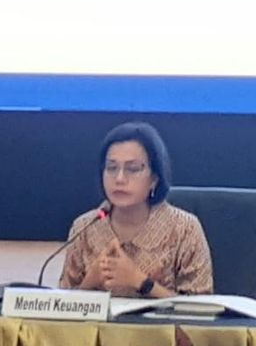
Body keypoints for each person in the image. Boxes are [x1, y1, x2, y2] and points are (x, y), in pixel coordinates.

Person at [59, 122, 213, 298]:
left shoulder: (184, 229)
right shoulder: (84, 227)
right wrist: (89, 282)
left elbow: (202, 307)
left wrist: (142, 282)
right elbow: (60, 305)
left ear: (154, 178)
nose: (119, 178)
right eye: (111, 168)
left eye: (132, 169)